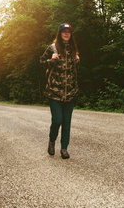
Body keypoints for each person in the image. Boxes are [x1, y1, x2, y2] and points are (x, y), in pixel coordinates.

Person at [40, 23, 79, 159]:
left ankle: (64, 149)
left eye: (69, 31)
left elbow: (72, 70)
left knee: (67, 122)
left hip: (70, 93)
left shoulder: (73, 50)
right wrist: (51, 60)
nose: (67, 33)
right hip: (54, 92)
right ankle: (51, 141)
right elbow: (41, 62)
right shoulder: (53, 48)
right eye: (64, 31)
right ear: (60, 33)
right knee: (57, 120)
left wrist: (77, 61)